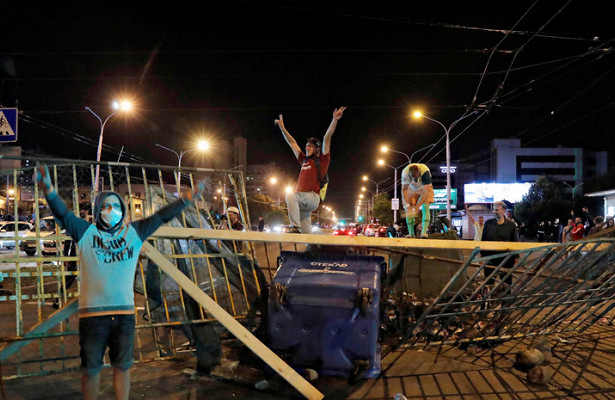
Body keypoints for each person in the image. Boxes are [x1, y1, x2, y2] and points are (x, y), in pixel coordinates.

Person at [35, 165, 202, 400]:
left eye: (114, 206)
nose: (109, 210)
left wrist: (185, 201)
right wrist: (49, 191)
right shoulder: (85, 232)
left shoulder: (134, 232)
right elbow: (64, 215)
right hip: (93, 317)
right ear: (96, 211)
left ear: (122, 210)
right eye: (104, 206)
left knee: (122, 368)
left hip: (124, 317)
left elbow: (161, 216)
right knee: (91, 369)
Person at [275, 107, 346, 233]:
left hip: (312, 197)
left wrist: (335, 120)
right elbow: (292, 143)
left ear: (317, 149)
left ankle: (295, 227)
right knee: (307, 234)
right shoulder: (303, 160)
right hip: (303, 201)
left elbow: (327, 138)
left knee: (291, 195)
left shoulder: (322, 160)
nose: (306, 148)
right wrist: (282, 129)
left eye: (310, 146)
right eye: (306, 146)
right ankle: (311, 248)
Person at [480, 201, 518, 286]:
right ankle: (488, 299)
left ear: (504, 211)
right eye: (493, 210)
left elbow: (515, 241)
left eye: (497, 210)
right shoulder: (488, 223)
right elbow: (483, 240)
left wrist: (516, 257)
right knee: (488, 284)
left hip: (506, 259)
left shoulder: (511, 225)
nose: (494, 212)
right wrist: (482, 256)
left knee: (506, 284)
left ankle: (506, 299)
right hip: (490, 259)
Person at [401, 163, 434, 238]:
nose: (416, 180)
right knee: (408, 209)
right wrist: (408, 205)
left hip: (424, 188)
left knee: (425, 206)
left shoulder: (425, 172)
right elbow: (404, 190)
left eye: (417, 177)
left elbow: (426, 193)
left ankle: (424, 232)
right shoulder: (405, 173)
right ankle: (411, 233)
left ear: (419, 172)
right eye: (414, 178)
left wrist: (417, 206)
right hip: (411, 188)